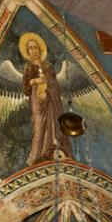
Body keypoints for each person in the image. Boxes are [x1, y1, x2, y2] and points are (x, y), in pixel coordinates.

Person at [20, 33, 72, 164]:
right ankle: (36, 157)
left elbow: (55, 85)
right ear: (27, 51)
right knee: (38, 127)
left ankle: (51, 151)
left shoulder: (48, 66)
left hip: (50, 100)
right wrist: (35, 81)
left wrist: (48, 85)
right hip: (36, 101)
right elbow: (25, 87)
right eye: (30, 48)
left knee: (52, 124)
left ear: (40, 49)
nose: (33, 50)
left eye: (35, 47)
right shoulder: (28, 67)